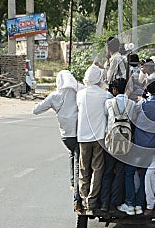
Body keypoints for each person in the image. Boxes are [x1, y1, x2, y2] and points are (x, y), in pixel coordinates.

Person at [32, 70, 83, 210]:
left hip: (66, 136)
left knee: (72, 155)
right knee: (79, 164)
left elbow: (35, 110)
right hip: (79, 134)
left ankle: (73, 184)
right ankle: (77, 199)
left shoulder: (55, 96)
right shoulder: (80, 91)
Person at [120, 80, 155, 216]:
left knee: (129, 172)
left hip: (138, 143)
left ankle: (130, 202)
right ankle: (140, 204)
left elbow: (133, 114)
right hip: (152, 145)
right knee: (145, 174)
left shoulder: (142, 103)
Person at [76, 64, 112, 210]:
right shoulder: (106, 95)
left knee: (84, 169)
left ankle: (84, 199)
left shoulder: (80, 94)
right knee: (97, 169)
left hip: (83, 137)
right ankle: (92, 199)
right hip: (99, 137)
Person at [102, 78, 136, 213]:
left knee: (107, 172)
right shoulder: (132, 104)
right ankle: (115, 203)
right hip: (125, 144)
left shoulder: (109, 102)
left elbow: (106, 116)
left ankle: (105, 202)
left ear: (114, 90)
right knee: (120, 173)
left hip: (111, 142)